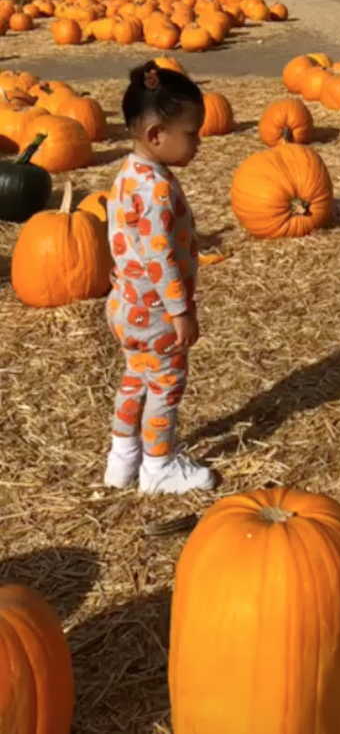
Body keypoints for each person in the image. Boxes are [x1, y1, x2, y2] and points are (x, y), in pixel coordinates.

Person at [103, 62, 217, 495]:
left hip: (126, 305)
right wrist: (180, 311)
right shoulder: (158, 190)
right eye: (191, 133)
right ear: (155, 136)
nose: (199, 142)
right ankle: (158, 467)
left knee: (134, 378)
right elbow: (160, 258)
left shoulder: (128, 175)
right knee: (166, 386)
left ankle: (122, 461)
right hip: (155, 314)